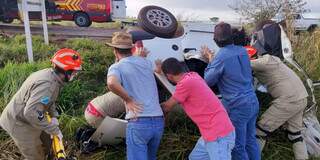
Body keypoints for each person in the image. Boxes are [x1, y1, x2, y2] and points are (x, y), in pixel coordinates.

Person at [0, 48, 82, 160]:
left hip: (30, 115)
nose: (75, 74)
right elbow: (30, 112)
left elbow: (48, 100)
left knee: (48, 143)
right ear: (66, 71)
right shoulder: (47, 85)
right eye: (74, 71)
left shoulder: (52, 76)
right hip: (19, 122)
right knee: (36, 156)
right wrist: (54, 129)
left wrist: (53, 116)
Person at [202, 22, 260, 160]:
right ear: (232, 37)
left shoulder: (221, 57)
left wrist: (210, 60)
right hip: (252, 100)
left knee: (238, 145)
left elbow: (208, 81)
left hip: (238, 105)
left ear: (215, 40)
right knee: (251, 139)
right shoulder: (242, 51)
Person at [251, 21, 309, 160]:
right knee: (295, 134)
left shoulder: (263, 62)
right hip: (302, 97)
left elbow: (239, 62)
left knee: (261, 130)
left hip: (289, 100)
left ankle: (253, 157)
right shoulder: (275, 59)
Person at [159, 57, 235, 160]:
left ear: (169, 76)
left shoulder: (185, 84)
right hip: (211, 132)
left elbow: (167, 107)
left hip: (218, 135)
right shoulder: (193, 76)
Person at [106, 32, 164, 160]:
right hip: (158, 120)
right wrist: (157, 64)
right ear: (132, 49)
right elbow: (158, 70)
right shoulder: (146, 63)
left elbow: (111, 83)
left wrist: (128, 99)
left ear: (115, 51)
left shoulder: (117, 67)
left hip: (139, 122)